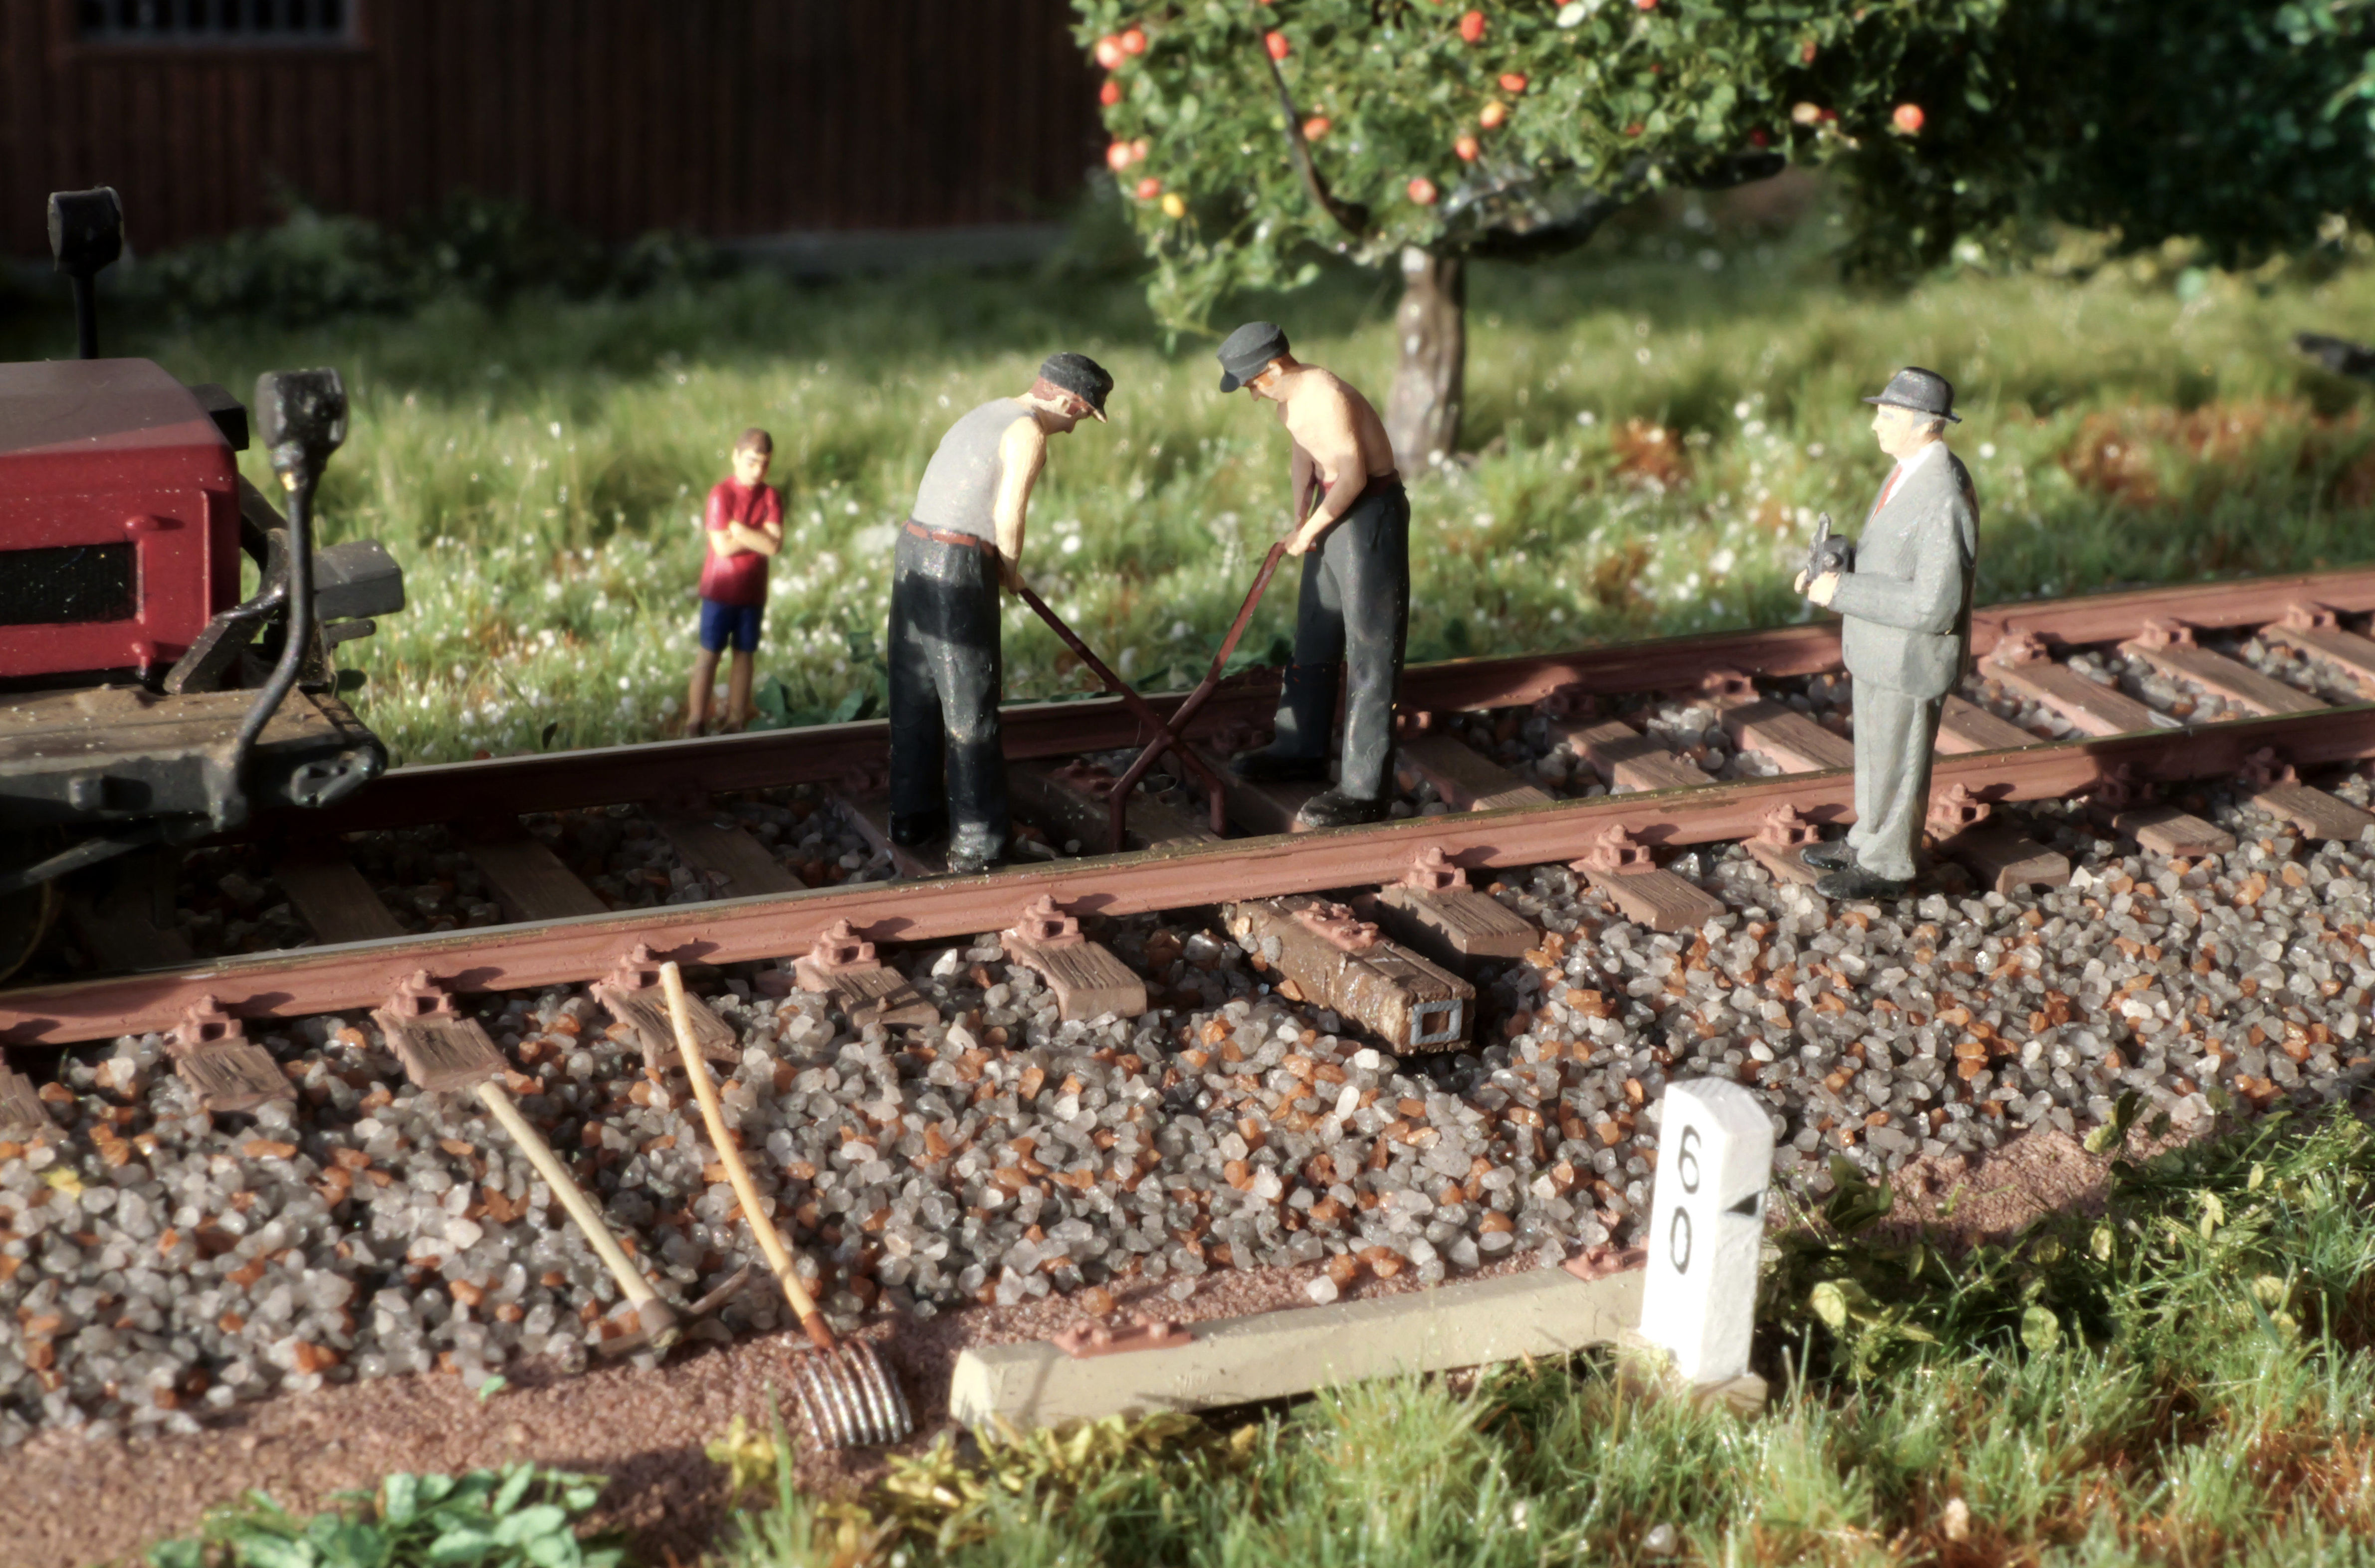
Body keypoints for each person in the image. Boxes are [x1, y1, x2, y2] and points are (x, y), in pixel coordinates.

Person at [889, 352, 1113, 873]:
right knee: (971, 707)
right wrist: (1011, 571)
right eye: (1081, 417)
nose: (1073, 429)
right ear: (1067, 402)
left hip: (913, 549)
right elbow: (1008, 514)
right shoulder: (1027, 432)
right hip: (955, 561)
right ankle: (978, 844)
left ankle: (912, 817)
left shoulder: (986, 411)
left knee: (915, 693)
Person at [1214, 321, 1408, 829]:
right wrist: (1300, 514)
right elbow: (1305, 451)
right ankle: (1300, 747)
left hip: (1367, 513)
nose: (1254, 395)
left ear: (1274, 367)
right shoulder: (1291, 404)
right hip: (1333, 507)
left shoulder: (1325, 396)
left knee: (1371, 647)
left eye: (1254, 383)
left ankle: (1365, 788)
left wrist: (1312, 529)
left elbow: (1354, 475)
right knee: (1316, 632)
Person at [1795, 367, 1979, 899]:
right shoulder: (1908, 471)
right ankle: (1867, 841)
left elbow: (1935, 605)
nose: (1876, 425)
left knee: (1900, 763)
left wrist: (1842, 592)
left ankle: (1889, 866)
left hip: (1909, 657)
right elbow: (1895, 557)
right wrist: (1841, 562)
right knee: (1877, 756)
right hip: (1881, 649)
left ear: (1925, 424)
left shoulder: (1942, 494)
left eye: (1889, 415)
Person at [684, 427, 784, 735]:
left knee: (745, 655)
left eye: (764, 464)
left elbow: (773, 546)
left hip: (752, 592)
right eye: (752, 462)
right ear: (736, 457)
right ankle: (696, 720)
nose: (758, 471)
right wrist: (759, 536)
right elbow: (722, 547)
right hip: (720, 589)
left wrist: (740, 531)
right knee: (709, 654)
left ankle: (735, 720)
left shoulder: (770, 496)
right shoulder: (721, 494)